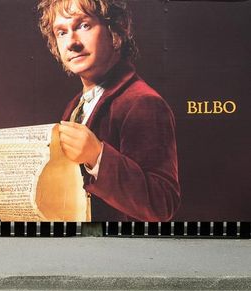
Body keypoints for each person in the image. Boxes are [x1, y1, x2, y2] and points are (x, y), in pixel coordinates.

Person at [37, 0, 180, 221]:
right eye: (61, 32)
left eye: (83, 25)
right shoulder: (76, 104)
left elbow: (162, 203)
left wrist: (97, 156)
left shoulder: (143, 102)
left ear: (116, 30)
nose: (71, 43)